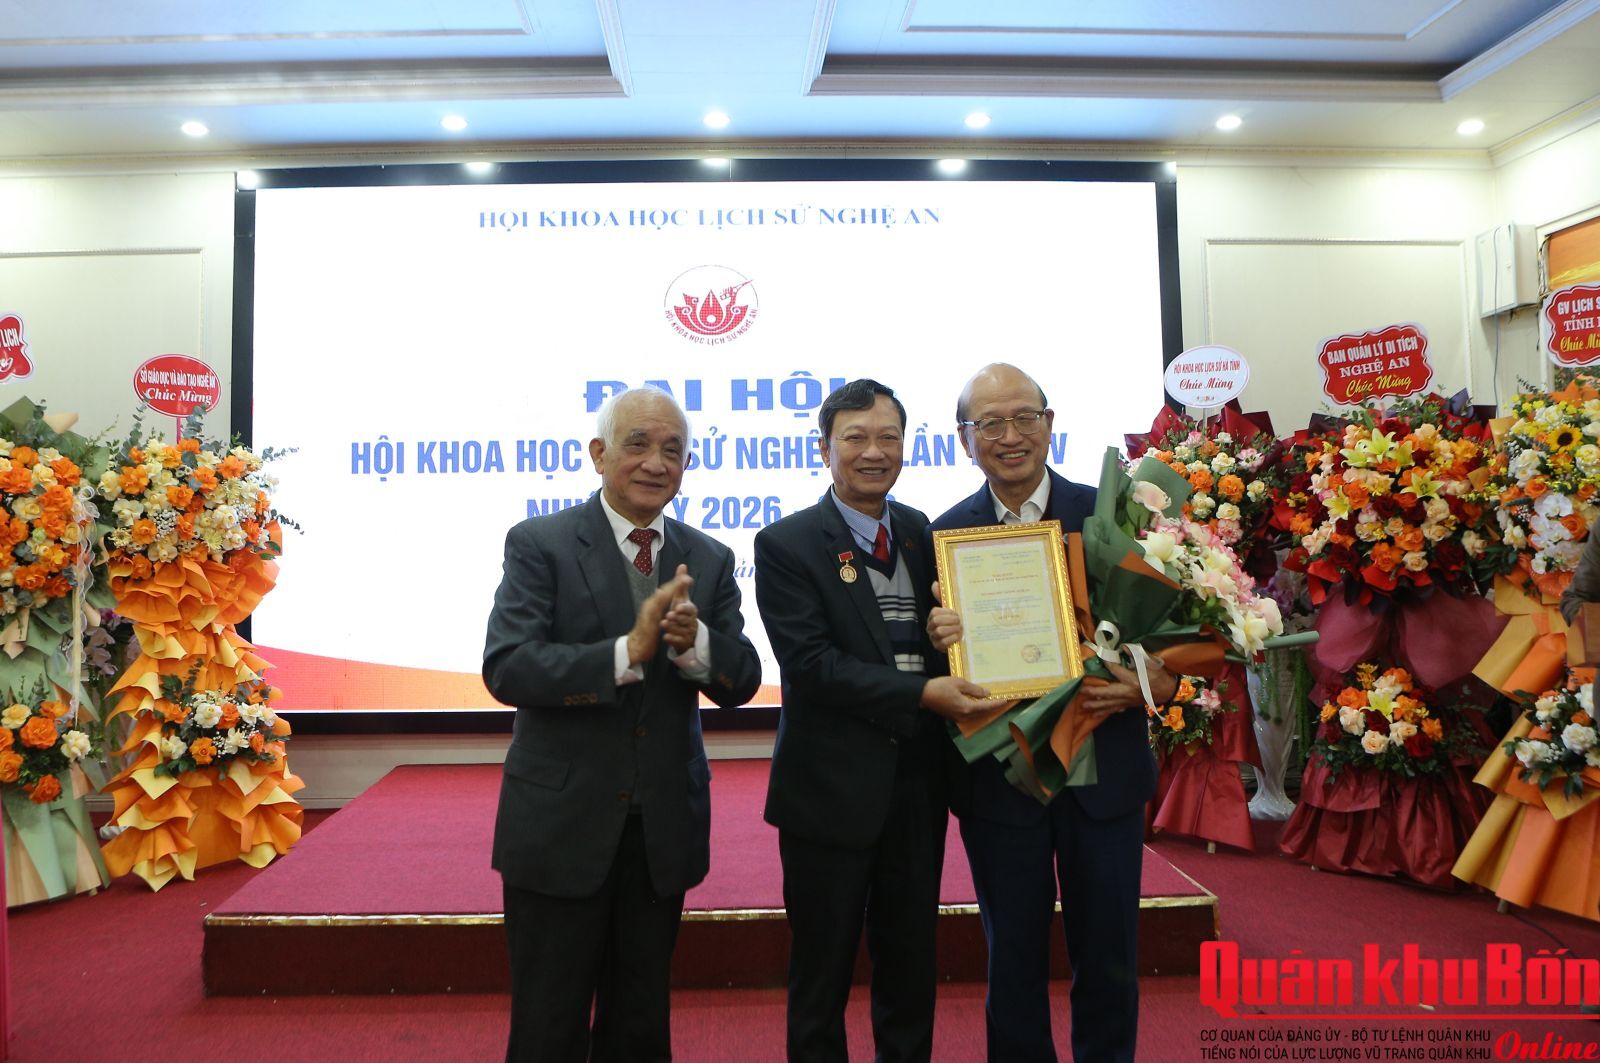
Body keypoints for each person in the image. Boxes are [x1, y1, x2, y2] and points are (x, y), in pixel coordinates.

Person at [483, 385, 763, 1063]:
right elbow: (508, 666)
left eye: (673, 450)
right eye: (638, 444)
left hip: (660, 830)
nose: (655, 463)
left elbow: (743, 679)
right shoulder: (540, 543)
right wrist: (624, 653)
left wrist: (696, 645)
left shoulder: (709, 557)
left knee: (639, 1026)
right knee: (548, 1028)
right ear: (599, 453)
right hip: (560, 826)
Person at [925, 363, 1177, 1063]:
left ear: (1050, 423)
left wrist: (1147, 685)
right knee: (1012, 959)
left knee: (1109, 956)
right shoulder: (943, 537)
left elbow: (1173, 644)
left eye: (1024, 418)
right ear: (964, 439)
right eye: (990, 424)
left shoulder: (1114, 519)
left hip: (1106, 777)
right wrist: (939, 637)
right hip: (1001, 781)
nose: (1010, 436)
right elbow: (932, 666)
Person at [754, 378, 993, 1062]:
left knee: (910, 964)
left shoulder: (924, 532)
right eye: (855, 438)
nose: (874, 452)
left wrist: (956, 639)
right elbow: (812, 665)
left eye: (889, 437)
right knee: (822, 971)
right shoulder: (787, 542)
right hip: (827, 793)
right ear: (824, 448)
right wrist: (922, 695)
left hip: (916, 785)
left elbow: (949, 643)